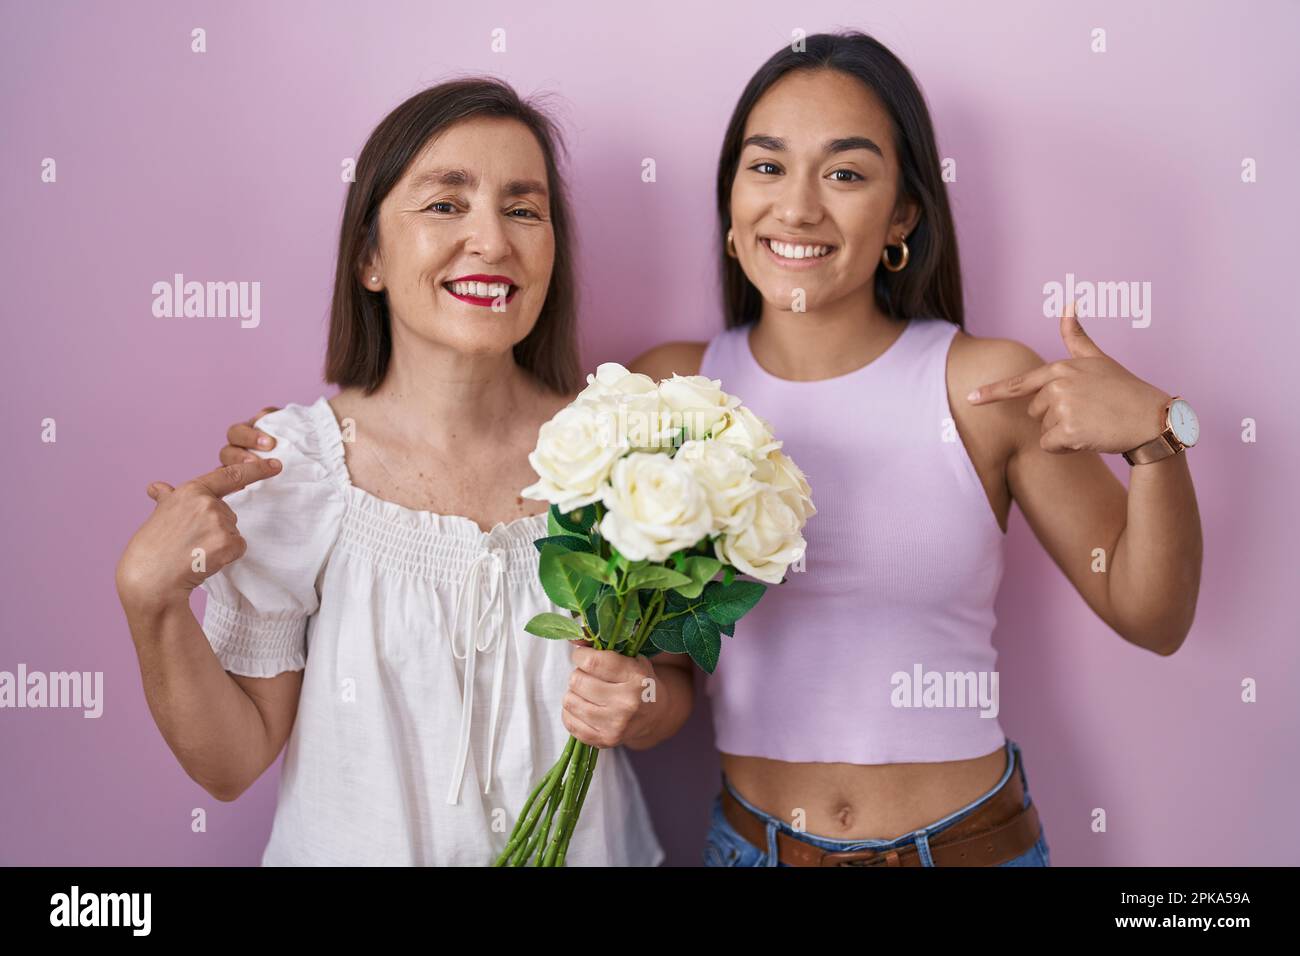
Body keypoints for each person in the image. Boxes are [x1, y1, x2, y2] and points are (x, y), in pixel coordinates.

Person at [222, 33, 1204, 868]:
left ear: (902, 216)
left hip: (963, 842)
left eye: (848, 173)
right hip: (748, 843)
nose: (800, 206)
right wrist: (315, 448)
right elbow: (493, 452)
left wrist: (1158, 439)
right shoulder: (667, 391)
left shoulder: (982, 382)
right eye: (767, 166)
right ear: (731, 204)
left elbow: (1149, 613)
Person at [116, 78, 682, 866]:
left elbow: (669, 689)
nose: (491, 240)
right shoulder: (294, 468)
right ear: (371, 259)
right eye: (446, 204)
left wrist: (640, 703)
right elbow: (231, 762)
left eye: (523, 209)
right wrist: (152, 604)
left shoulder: (617, 455)